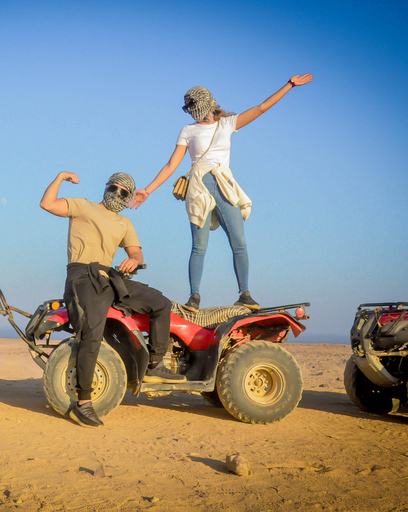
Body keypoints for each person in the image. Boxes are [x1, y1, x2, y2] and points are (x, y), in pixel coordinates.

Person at [129, 74, 313, 313]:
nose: (193, 112)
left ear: (207, 104)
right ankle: (194, 297)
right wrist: (149, 190)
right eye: (190, 108)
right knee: (199, 246)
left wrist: (289, 86)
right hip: (199, 187)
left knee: (239, 242)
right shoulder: (188, 130)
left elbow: (261, 108)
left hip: (224, 185)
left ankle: (244, 294)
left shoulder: (227, 123)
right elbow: (171, 165)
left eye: (195, 107)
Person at [40, 171, 186, 428]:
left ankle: (153, 363)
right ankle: (83, 404)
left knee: (161, 303)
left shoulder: (124, 223)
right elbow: (47, 203)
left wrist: (134, 260)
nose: (116, 194)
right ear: (106, 187)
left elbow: (136, 252)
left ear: (129, 197)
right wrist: (61, 177)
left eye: (123, 192)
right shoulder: (82, 206)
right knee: (91, 336)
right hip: (83, 276)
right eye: (113, 188)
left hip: (112, 277)